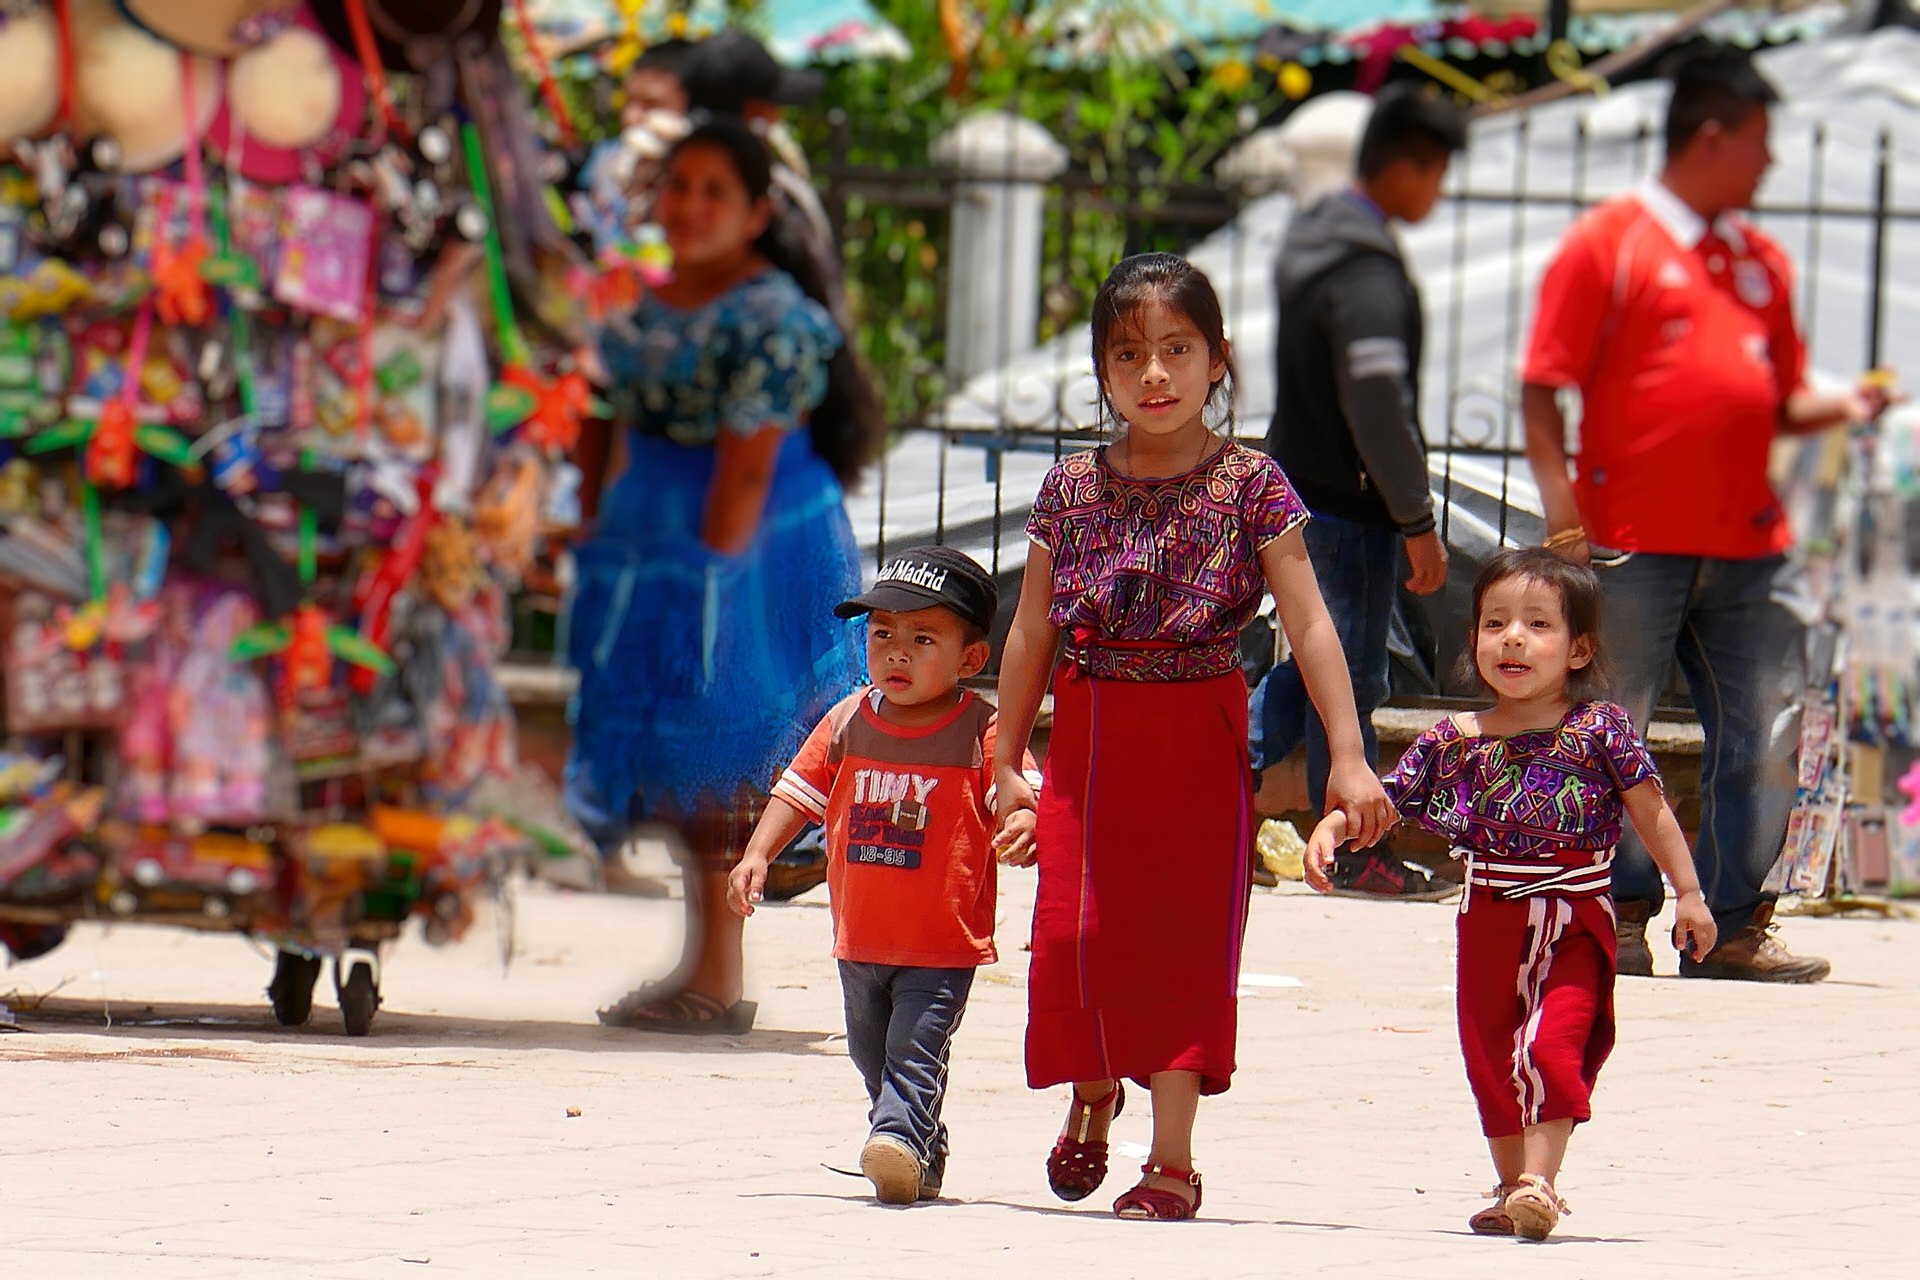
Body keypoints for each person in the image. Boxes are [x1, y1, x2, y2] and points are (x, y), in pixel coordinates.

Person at [992, 253, 1394, 1221]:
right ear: (1102, 369)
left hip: (1200, 736)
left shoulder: (1254, 484)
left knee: (1183, 948)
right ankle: (1094, 1087)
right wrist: (1005, 757)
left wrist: (1347, 754)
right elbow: (1031, 629)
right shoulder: (1068, 487)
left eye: (1177, 349)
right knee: (1074, 936)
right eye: (1129, 353)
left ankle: (1171, 1160)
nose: (1155, 373)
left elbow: (1310, 624)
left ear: (1218, 359)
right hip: (1090, 738)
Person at [1520, 47, 1889, 982]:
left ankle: (1730, 925)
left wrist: (1852, 406)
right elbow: (1541, 385)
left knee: (1768, 730)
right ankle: (1616, 914)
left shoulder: (1760, 261)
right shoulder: (1610, 243)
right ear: (1714, 137)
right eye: (1761, 142)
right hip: (1628, 541)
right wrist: (1563, 522)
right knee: (1612, 730)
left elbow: (1781, 398)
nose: (1771, 164)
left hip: (1752, 545)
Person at [568, 118, 884, 1033]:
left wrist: (705, 578)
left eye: (716, 192)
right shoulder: (636, 300)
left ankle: (716, 975)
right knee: (680, 753)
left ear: (754, 214)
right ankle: (701, 964)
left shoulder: (772, 317)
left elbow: (746, 468)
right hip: (663, 531)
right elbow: (600, 423)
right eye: (679, 186)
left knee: (720, 745)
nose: (692, 207)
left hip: (750, 544)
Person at [1304, 548, 1717, 1241]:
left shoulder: (1601, 731)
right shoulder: (1454, 741)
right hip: (1488, 920)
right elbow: (1388, 799)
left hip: (1576, 918)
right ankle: (1508, 1187)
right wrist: (1334, 826)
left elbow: (1652, 812)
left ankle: (1539, 1183)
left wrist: (1690, 894)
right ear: (1474, 641)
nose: (1513, 639)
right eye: (1494, 624)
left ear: (1580, 649)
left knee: (1552, 1046)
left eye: (1538, 624)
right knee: (1490, 1055)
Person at [727, 546, 1037, 1204]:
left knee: (914, 1050)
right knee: (870, 1053)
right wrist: (757, 854)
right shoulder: (846, 721)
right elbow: (797, 792)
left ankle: (895, 1134)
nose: (897, 654)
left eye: (922, 639)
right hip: (859, 937)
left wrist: (1023, 821)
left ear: (971, 659)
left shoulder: (983, 731)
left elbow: (1017, 792)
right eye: (882, 635)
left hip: (941, 943)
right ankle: (917, 1146)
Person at [1251, 84, 1467, 901]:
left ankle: (1216, 795)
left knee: (1317, 668)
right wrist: (1416, 516)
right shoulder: (1365, 269)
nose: (1437, 196)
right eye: (1437, 175)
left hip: (1301, 489)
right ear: (1408, 167)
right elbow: (1376, 404)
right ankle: (1350, 848)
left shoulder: (1313, 242)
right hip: (1348, 504)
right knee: (1349, 679)